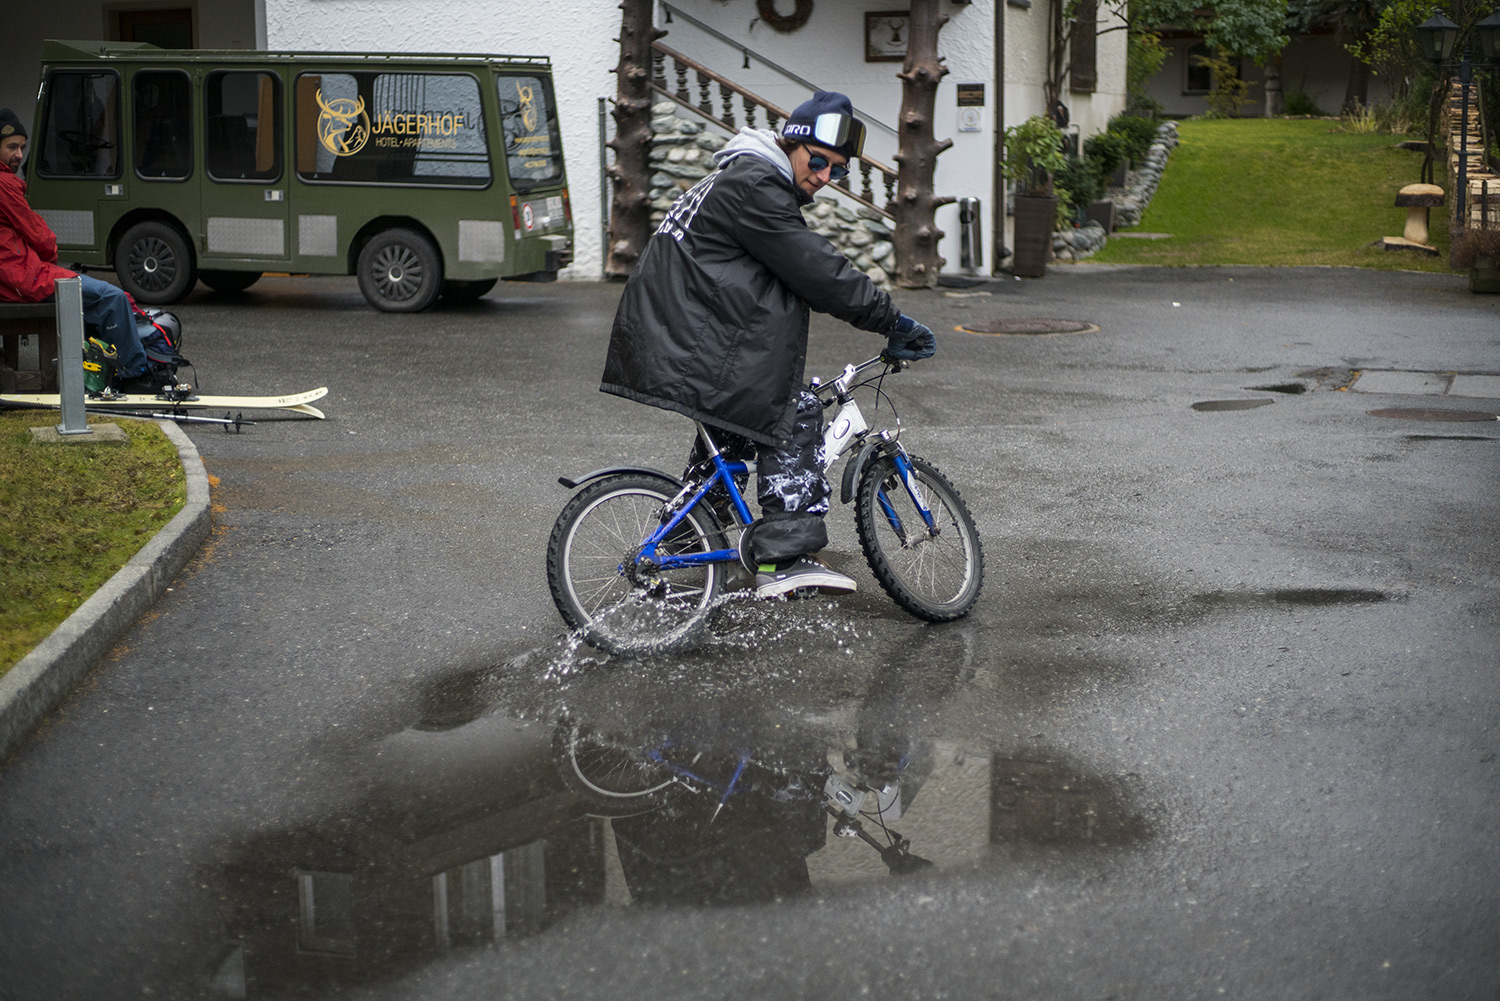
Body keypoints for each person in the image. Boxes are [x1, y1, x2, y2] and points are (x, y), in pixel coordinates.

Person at [601, 91, 937, 599]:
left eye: (838, 171)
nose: (825, 176)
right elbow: (816, 268)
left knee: (736, 426)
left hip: (679, 332)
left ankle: (690, 535)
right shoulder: (757, 183)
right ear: (792, 143)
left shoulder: (744, 177)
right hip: (688, 338)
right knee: (790, 408)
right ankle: (785, 557)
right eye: (819, 161)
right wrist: (890, 319)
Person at [0, 107, 159, 392]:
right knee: (112, 298)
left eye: (22, 147)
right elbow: (43, 238)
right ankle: (136, 375)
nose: (19, 156)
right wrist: (47, 257)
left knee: (91, 295)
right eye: (12, 147)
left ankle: (95, 372)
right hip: (22, 280)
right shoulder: (3, 186)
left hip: (13, 278)